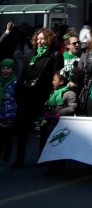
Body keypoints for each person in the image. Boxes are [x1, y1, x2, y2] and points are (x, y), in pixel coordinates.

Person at [14, 28, 63, 167]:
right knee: (22, 128)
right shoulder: (31, 53)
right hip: (27, 95)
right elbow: (23, 73)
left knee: (43, 130)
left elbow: (56, 77)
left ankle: (43, 157)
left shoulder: (55, 55)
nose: (40, 41)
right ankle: (19, 158)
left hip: (43, 96)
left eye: (43, 39)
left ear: (48, 40)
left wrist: (52, 96)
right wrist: (19, 92)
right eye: (38, 39)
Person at [0, 58, 18, 165]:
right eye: (3, 68)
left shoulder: (16, 82)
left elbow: (19, 99)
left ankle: (5, 162)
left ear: (12, 70)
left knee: (7, 139)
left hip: (10, 115)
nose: (5, 71)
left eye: (8, 68)